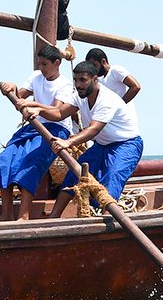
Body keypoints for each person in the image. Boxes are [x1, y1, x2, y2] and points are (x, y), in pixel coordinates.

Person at [35, 60, 145, 218]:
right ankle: (54, 217)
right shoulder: (79, 96)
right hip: (102, 145)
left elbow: (94, 129)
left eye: (82, 80)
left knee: (112, 178)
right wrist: (37, 108)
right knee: (73, 175)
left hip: (126, 145)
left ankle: (107, 221)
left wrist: (68, 142)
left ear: (95, 79)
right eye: (76, 80)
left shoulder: (107, 100)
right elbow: (59, 113)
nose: (78, 84)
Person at [0, 43, 78, 222]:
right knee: (6, 157)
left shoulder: (65, 85)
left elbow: (56, 113)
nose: (41, 68)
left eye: (45, 64)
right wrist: (12, 87)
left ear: (57, 63)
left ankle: (23, 215)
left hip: (56, 129)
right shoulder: (36, 77)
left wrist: (36, 106)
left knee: (31, 162)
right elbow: (20, 96)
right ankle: (6, 213)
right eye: (39, 64)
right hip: (34, 127)